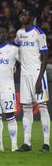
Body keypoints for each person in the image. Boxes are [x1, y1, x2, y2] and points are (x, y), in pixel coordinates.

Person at [15, 8, 50, 153]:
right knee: (26, 109)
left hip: (37, 74)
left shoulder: (39, 33)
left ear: (32, 17)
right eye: (22, 14)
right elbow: (17, 50)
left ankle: (46, 144)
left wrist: (40, 78)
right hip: (24, 75)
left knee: (42, 107)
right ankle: (26, 143)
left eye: (26, 14)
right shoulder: (19, 33)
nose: (23, 16)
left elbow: (45, 56)